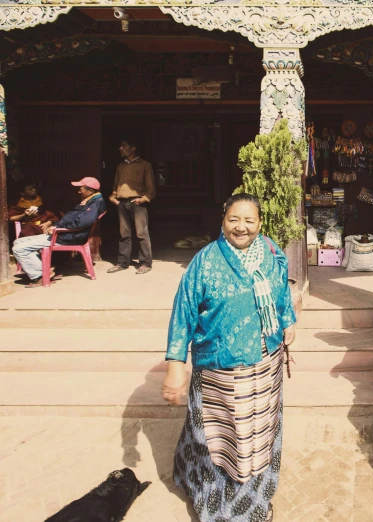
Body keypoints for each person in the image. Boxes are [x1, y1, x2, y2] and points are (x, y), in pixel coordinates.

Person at [162, 193, 296, 522]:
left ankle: (253, 499)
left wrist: (288, 321)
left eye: (250, 220)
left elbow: (282, 291)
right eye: (234, 219)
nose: (242, 227)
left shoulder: (272, 252)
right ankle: (216, 502)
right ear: (223, 220)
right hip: (220, 369)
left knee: (259, 435)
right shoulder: (205, 261)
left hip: (266, 364)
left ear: (260, 223)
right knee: (219, 437)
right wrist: (175, 365)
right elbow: (183, 313)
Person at [11, 177, 106, 288]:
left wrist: (56, 228)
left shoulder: (95, 203)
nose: (78, 191)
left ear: (90, 191)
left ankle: (40, 275)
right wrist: (55, 224)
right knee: (19, 242)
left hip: (67, 236)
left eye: (81, 189)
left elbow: (82, 223)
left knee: (18, 249)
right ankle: (44, 270)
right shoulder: (90, 200)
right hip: (64, 233)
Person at [107, 137, 155, 275]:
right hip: (121, 203)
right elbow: (116, 186)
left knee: (142, 233)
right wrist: (113, 198)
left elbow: (150, 188)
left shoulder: (144, 165)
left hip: (137, 203)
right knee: (124, 234)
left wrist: (143, 199)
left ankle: (145, 263)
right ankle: (122, 263)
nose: (120, 148)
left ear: (133, 148)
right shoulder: (120, 166)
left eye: (123, 146)